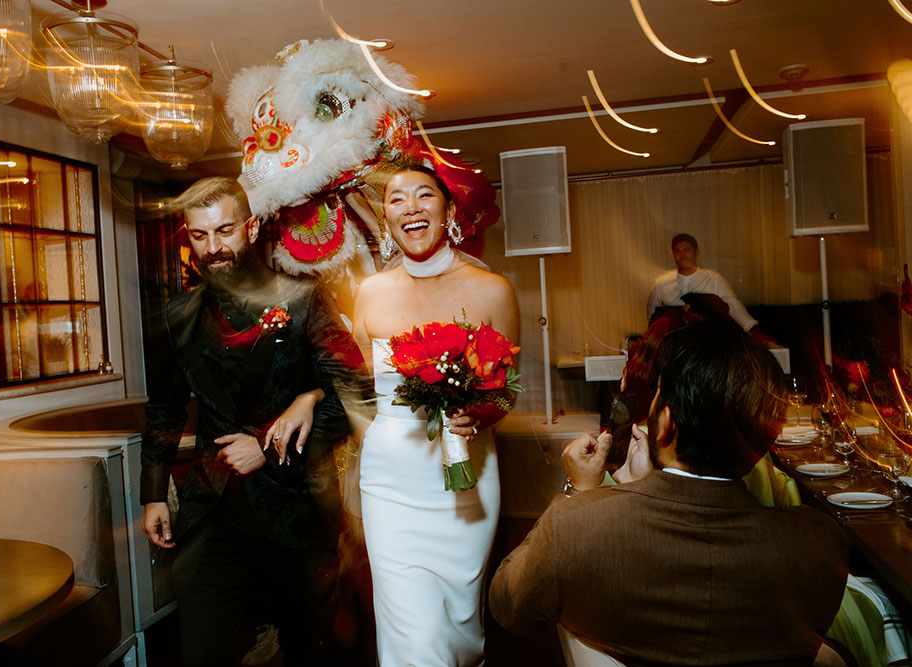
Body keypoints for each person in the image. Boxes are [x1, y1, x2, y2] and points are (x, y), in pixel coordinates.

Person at [489, 319, 849, 666]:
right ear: (762, 439)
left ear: (665, 423)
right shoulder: (820, 547)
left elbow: (508, 604)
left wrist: (578, 492)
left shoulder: (577, 529)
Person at [139, 177, 363, 667]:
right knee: (202, 648)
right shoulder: (179, 314)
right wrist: (154, 490)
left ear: (251, 226)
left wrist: (267, 445)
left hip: (296, 506)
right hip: (213, 508)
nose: (214, 248)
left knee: (310, 649)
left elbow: (354, 393)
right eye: (200, 236)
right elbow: (164, 408)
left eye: (224, 231)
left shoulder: (305, 298)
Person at [352, 165, 520, 666]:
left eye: (424, 195)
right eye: (397, 200)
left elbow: (506, 394)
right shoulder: (370, 293)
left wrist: (478, 417)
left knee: (459, 621)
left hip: (465, 480)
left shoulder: (493, 290)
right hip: (390, 481)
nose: (411, 207)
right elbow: (357, 386)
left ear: (448, 211)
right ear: (386, 218)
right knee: (414, 634)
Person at [647, 233, 762, 334]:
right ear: (673, 255)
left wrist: (751, 328)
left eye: (686, 250)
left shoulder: (714, 279)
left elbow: (733, 305)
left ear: (696, 252)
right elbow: (653, 314)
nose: (682, 255)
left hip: (709, 341)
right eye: (678, 251)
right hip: (674, 344)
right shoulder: (661, 283)